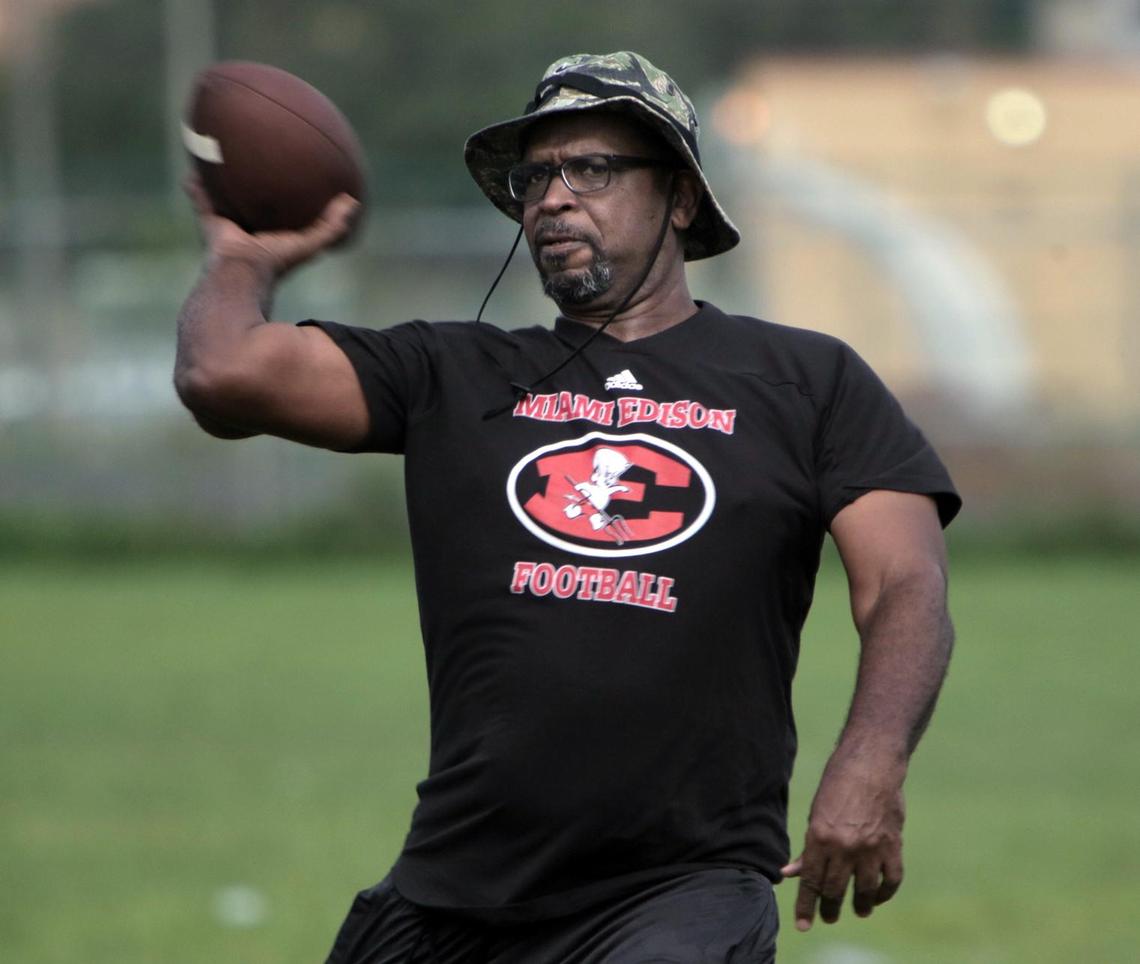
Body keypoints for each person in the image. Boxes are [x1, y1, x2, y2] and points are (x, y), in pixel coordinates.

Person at [175, 51, 960, 964]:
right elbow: (221, 375)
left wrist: (871, 764)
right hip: (452, 893)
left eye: (591, 169)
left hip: (678, 892)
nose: (551, 198)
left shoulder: (806, 378)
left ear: (681, 199)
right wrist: (240, 256)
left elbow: (907, 583)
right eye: (534, 176)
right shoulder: (454, 372)